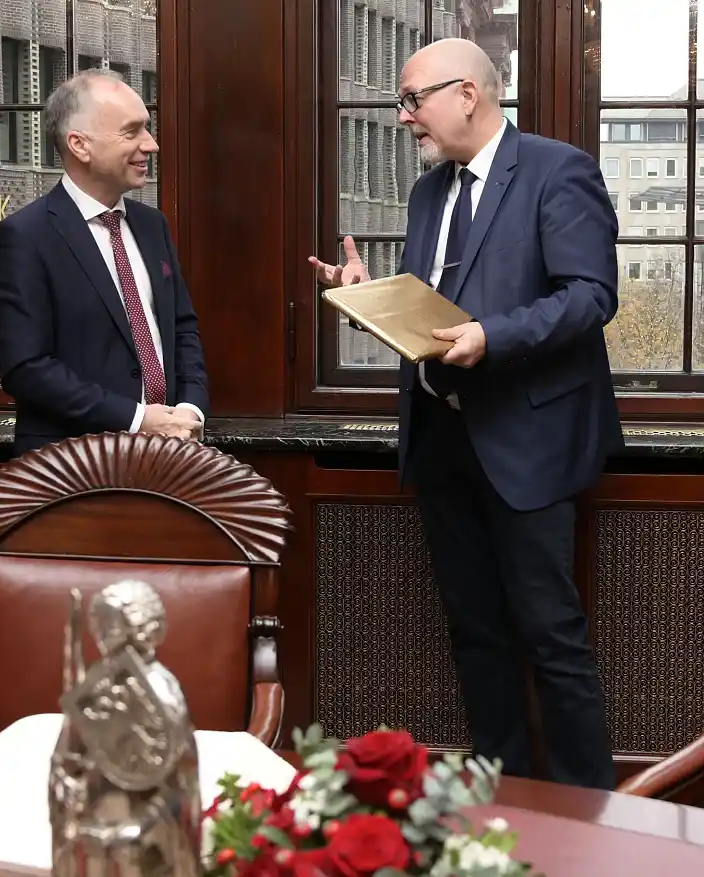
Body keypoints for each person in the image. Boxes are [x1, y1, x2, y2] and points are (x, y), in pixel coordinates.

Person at [309, 38, 622, 790]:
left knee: (551, 637)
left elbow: (591, 296)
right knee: (476, 636)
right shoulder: (428, 193)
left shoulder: (557, 170)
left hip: (529, 440)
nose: (405, 116)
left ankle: (596, 823)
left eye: (413, 99)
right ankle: (502, 807)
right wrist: (368, 298)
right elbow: (438, 311)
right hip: (444, 440)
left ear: (469, 95)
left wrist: (494, 337)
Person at [0, 69, 208, 456]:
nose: (152, 145)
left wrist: (187, 412)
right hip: (70, 465)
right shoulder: (25, 237)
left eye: (148, 129)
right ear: (80, 145)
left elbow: (182, 329)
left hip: (170, 457)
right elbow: (27, 369)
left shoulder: (151, 225)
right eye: (132, 131)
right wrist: (138, 419)